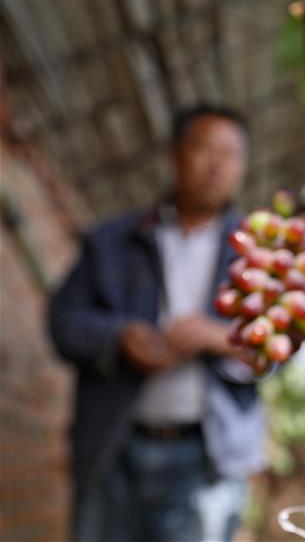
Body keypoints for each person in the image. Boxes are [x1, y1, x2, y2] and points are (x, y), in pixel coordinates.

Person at [48, 104, 266, 542]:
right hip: (114, 450)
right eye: (205, 147)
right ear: (174, 155)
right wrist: (118, 338)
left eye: (232, 154)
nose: (218, 164)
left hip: (206, 462)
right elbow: (63, 321)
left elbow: (280, 349)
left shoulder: (257, 256)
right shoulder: (112, 241)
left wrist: (220, 337)